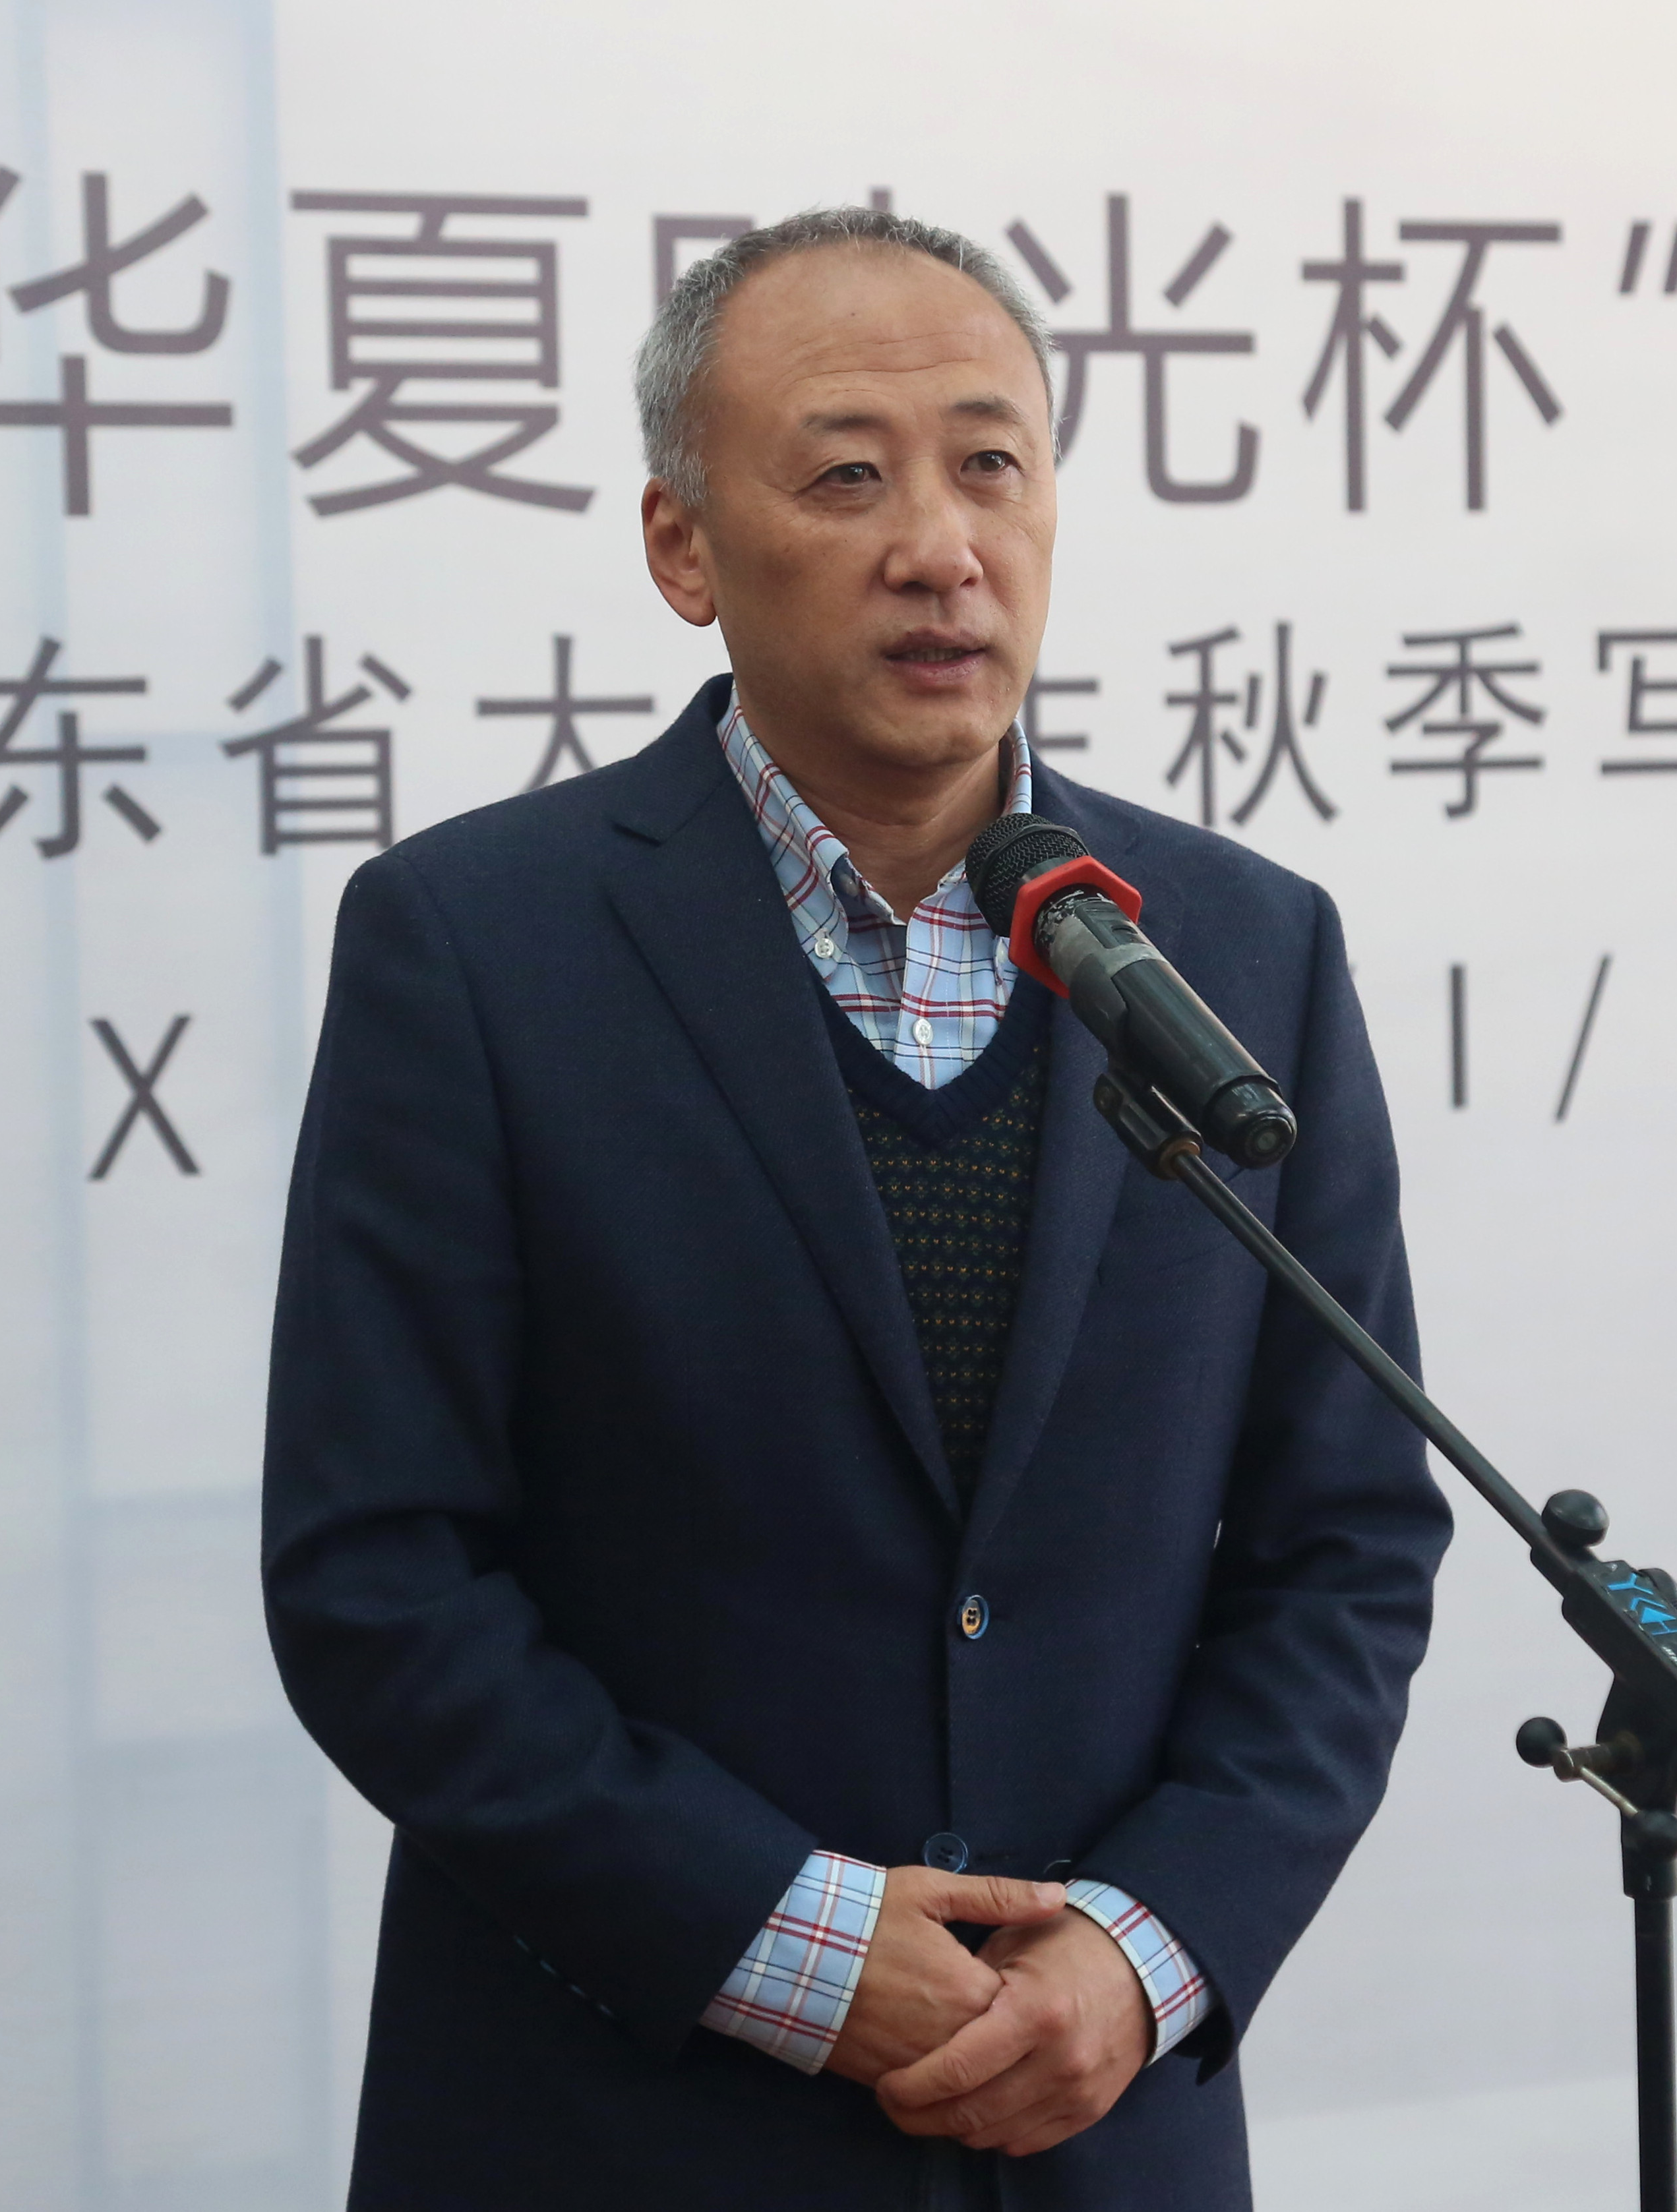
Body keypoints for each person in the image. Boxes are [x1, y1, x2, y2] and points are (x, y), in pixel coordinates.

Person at [261, 206, 1451, 2211]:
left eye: (991, 464)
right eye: (844, 478)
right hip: (623, 2130)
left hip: (1097, 2131)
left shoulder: (1240, 948)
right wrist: (785, 1942)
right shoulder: (474, 947)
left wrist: (1149, 1948)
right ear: (683, 549)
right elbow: (378, 1577)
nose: (939, 545)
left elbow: (1346, 1539)